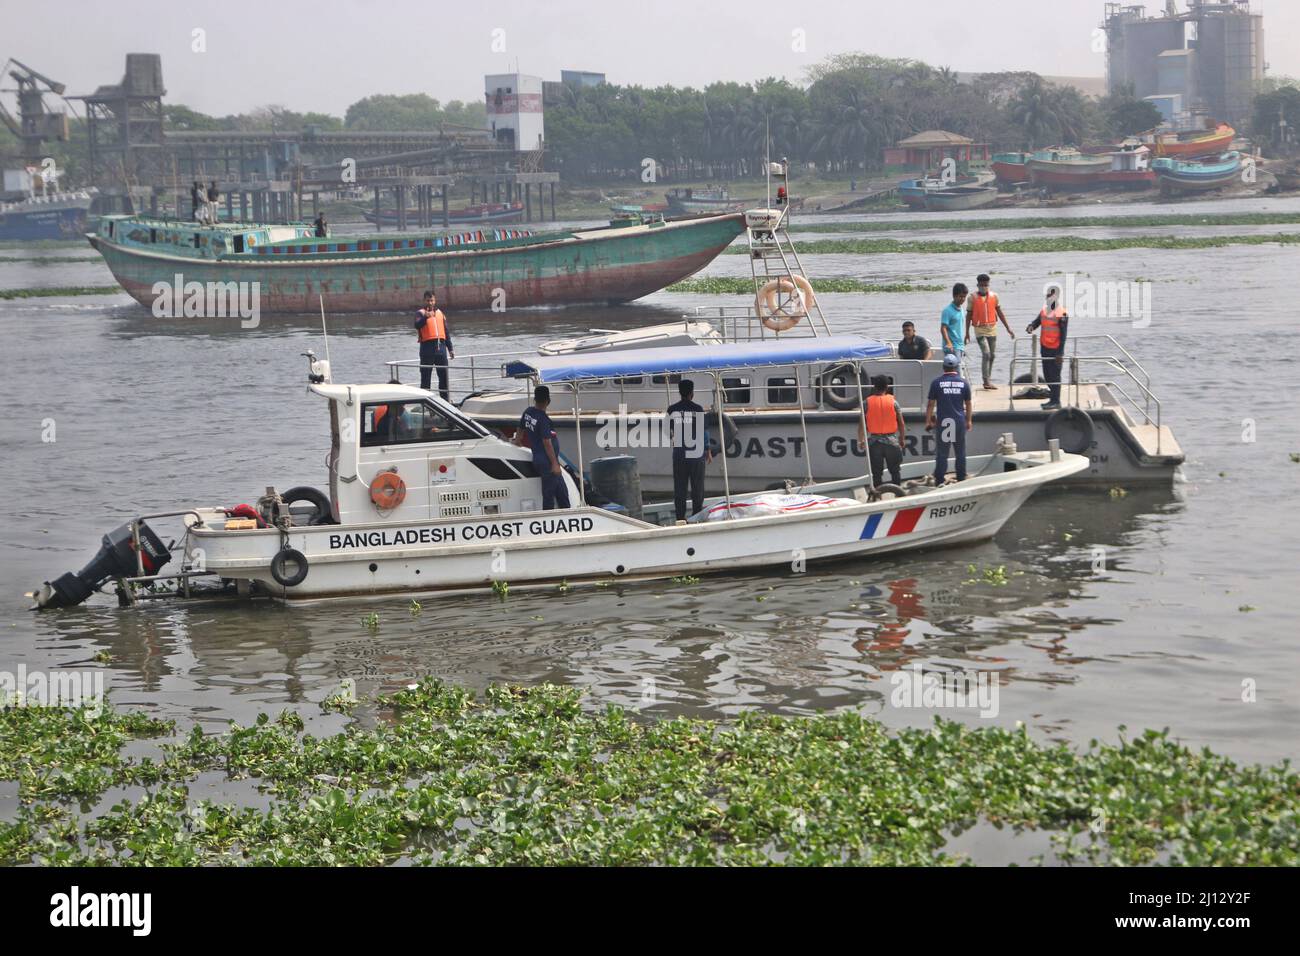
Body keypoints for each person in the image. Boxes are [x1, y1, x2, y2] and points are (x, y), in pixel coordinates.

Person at [666, 379, 712, 522]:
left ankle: (680, 519)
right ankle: (696, 518)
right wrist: (708, 450)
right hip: (696, 454)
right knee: (697, 489)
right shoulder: (697, 409)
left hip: (680, 454)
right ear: (692, 393)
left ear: (680, 393)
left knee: (680, 488)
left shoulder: (672, 409)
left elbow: (667, 431)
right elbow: (704, 432)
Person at [517, 386, 569, 510]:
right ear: (548, 401)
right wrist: (554, 464)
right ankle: (548, 519)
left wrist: (517, 440)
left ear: (535, 399)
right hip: (547, 462)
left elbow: (520, 427)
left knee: (562, 491)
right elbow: (547, 442)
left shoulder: (528, 412)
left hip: (540, 459)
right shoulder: (543, 419)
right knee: (548, 494)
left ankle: (567, 511)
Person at [925, 353, 973, 485]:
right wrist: (969, 420)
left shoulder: (936, 383)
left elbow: (930, 404)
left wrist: (928, 421)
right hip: (959, 422)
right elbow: (968, 404)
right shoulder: (964, 383)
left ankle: (939, 480)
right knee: (960, 452)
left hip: (945, 423)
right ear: (957, 367)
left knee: (942, 454)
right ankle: (961, 478)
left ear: (943, 367)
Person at [965, 273, 1015, 390]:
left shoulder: (994, 296)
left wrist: (1008, 328)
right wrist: (967, 332)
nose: (984, 287)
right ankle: (985, 380)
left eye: (986, 285)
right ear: (978, 285)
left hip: (992, 328)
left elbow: (1000, 312)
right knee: (986, 353)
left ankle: (989, 378)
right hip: (979, 329)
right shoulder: (972, 298)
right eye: (982, 285)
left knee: (992, 355)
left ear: (989, 284)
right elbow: (969, 315)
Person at [857, 375, 906, 488]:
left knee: (876, 474)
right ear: (887, 387)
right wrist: (902, 439)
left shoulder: (866, 403)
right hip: (892, 442)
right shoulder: (894, 402)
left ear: (874, 387)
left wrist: (861, 440)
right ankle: (898, 495)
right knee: (895, 471)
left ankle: (877, 495)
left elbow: (861, 424)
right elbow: (901, 423)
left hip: (874, 443)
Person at [1026, 286, 1069, 410]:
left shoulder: (1062, 313)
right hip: (1044, 347)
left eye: (1051, 295)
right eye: (1047, 295)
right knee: (1047, 375)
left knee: (1055, 375)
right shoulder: (1044, 311)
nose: (1048, 297)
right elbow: (1036, 322)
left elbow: (1063, 335)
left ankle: (1056, 401)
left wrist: (1060, 353)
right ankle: (1052, 399)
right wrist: (1031, 327)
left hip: (1056, 349)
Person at [413, 291, 454, 400]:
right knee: (426, 378)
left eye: (432, 300)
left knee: (444, 377)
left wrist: (450, 349)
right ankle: (425, 403)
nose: (430, 303)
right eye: (428, 300)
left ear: (435, 301)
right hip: (427, 350)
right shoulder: (420, 313)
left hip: (441, 349)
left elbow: (446, 332)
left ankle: (445, 402)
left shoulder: (440, 313)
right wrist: (425, 318)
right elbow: (417, 325)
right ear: (424, 301)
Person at [941, 283, 968, 364]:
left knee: (958, 370)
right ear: (954, 296)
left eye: (964, 297)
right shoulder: (947, 310)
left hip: (960, 345)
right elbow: (943, 328)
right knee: (955, 371)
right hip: (952, 346)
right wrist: (949, 343)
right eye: (960, 296)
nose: (962, 299)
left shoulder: (962, 310)